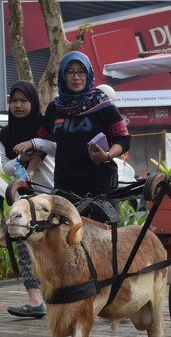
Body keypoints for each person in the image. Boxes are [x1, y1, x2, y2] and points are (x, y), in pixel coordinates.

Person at [17, 51, 130, 223]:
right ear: (62, 76)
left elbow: (123, 139)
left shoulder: (104, 106)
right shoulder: (55, 108)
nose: (76, 77)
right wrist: (30, 171)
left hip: (100, 185)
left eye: (81, 72)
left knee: (103, 234)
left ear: (88, 74)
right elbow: (43, 143)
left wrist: (106, 156)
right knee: (65, 233)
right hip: (65, 185)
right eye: (70, 72)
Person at [0, 81, 54, 319]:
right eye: (14, 101)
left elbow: (54, 148)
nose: (18, 105)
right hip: (24, 198)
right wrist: (22, 158)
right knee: (23, 244)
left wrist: (33, 146)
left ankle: (62, 297)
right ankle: (35, 301)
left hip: (51, 193)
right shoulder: (5, 134)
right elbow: (5, 166)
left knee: (55, 246)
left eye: (23, 101)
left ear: (33, 102)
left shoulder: (45, 126)